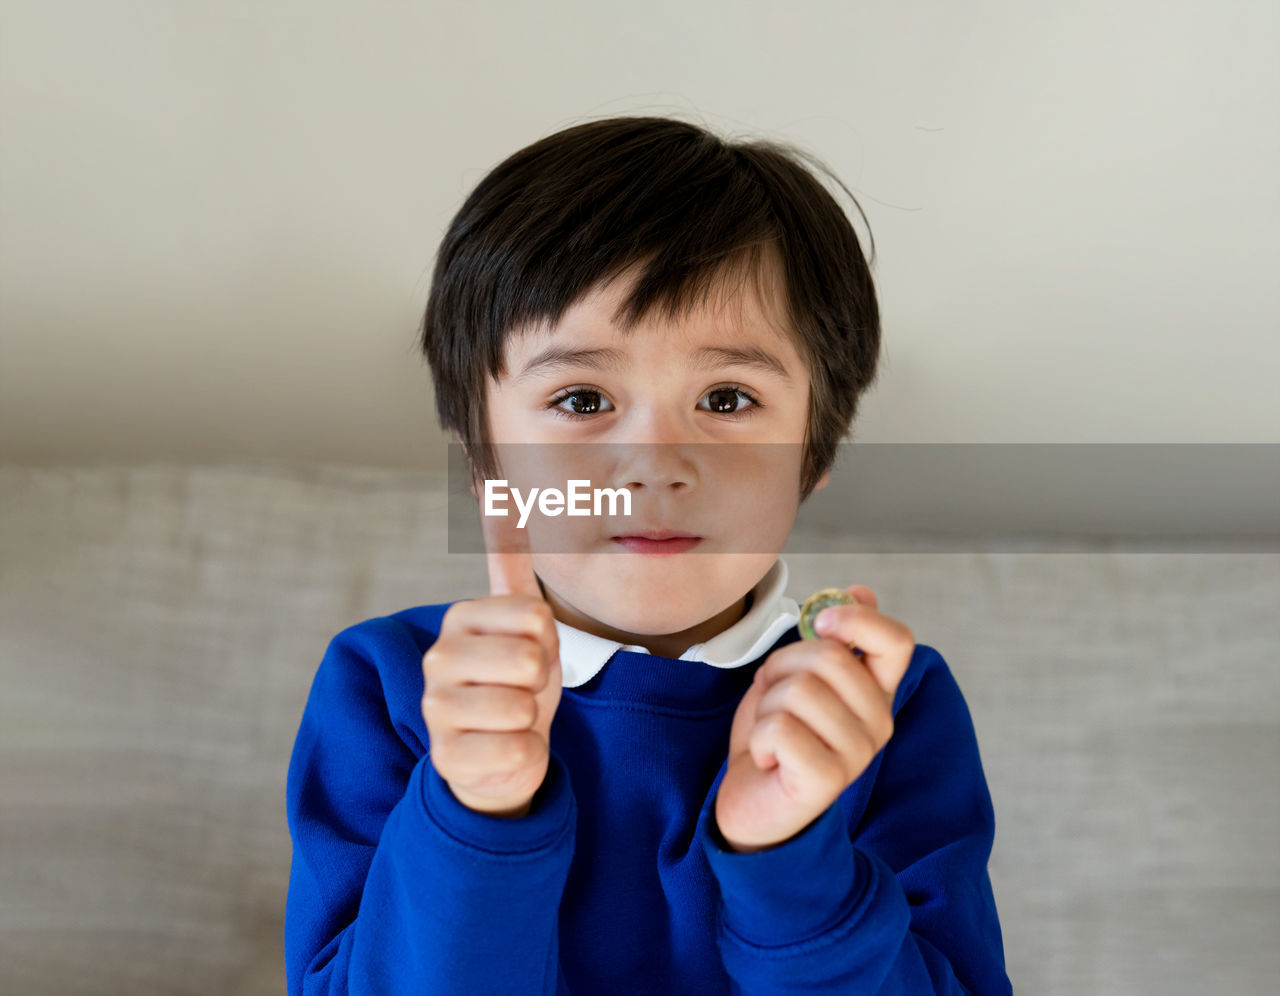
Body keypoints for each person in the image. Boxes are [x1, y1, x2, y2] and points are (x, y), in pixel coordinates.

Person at [285, 115, 1012, 994]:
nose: (658, 465)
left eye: (729, 398)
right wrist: (476, 813)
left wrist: (785, 860)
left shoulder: (882, 711)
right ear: (482, 455)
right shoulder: (392, 687)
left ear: (814, 453)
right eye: (584, 398)